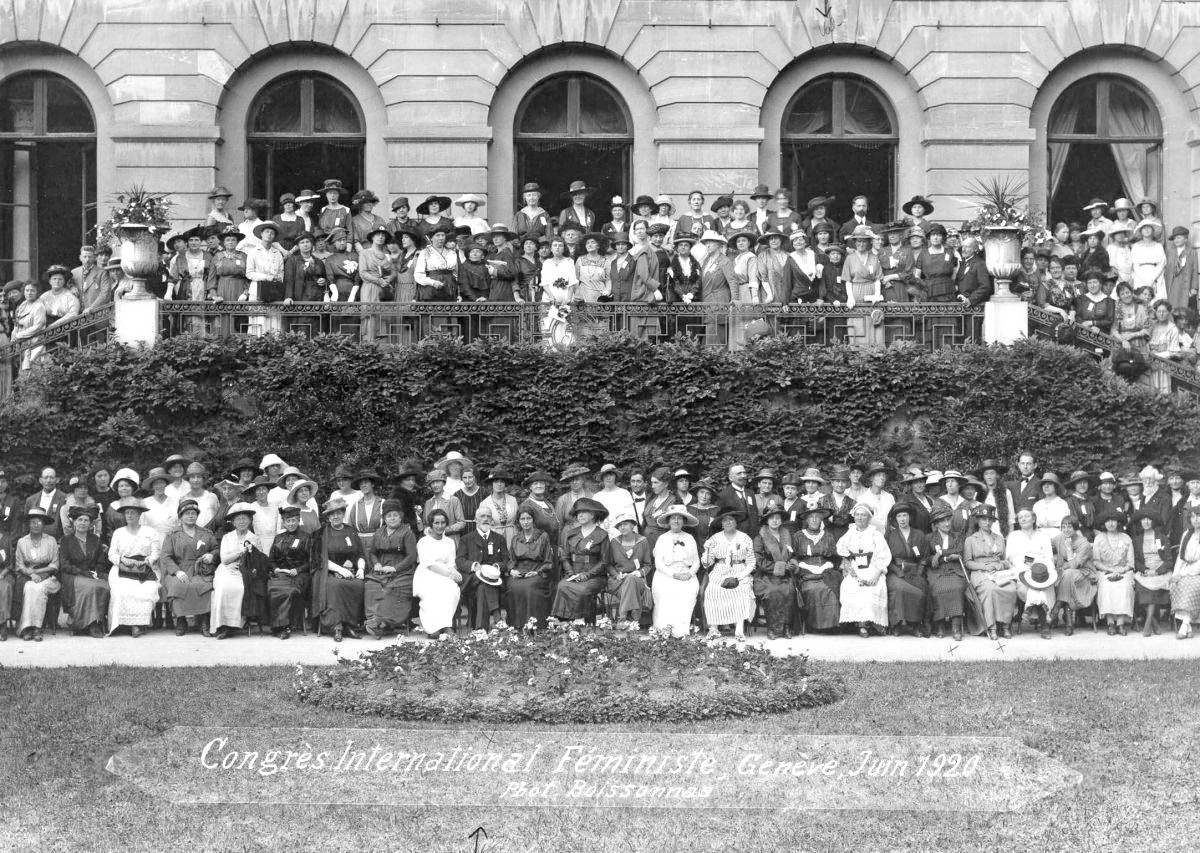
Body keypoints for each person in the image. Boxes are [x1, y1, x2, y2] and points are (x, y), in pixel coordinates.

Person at [160, 498, 218, 636]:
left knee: (204, 586)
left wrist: (211, 555)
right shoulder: (173, 535)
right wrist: (177, 571)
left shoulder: (206, 533)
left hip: (201, 569)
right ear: (180, 517)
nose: (191, 516)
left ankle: (204, 621)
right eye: (187, 513)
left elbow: (216, 548)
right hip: (180, 568)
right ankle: (181, 620)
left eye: (193, 513)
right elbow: (166, 556)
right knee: (178, 586)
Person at [312, 497, 366, 642]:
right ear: (328, 516)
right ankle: (336, 626)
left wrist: (360, 568)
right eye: (332, 514)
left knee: (359, 585)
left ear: (343, 514)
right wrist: (340, 570)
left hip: (351, 571)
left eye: (338, 513)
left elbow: (360, 554)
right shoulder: (321, 533)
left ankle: (351, 625)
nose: (335, 517)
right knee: (335, 586)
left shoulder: (351, 531)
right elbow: (320, 558)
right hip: (327, 571)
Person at [106, 497, 161, 637]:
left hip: (145, 567)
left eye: (133, 513)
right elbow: (111, 554)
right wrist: (123, 561)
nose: (130, 515)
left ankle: (139, 623)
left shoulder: (150, 531)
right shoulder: (118, 532)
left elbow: (155, 552)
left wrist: (147, 561)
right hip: (123, 568)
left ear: (140, 514)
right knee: (121, 590)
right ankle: (124, 624)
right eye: (127, 513)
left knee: (147, 590)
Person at [363, 499, 417, 638]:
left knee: (391, 589)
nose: (392, 518)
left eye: (395, 515)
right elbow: (373, 553)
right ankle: (375, 622)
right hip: (381, 570)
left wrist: (395, 568)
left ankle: (381, 622)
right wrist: (376, 564)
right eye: (388, 516)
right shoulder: (379, 532)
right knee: (371, 586)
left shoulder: (407, 532)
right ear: (384, 518)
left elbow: (411, 556)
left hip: (402, 572)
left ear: (400, 516)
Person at [551, 497, 610, 624]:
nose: (580, 515)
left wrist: (587, 575)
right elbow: (565, 557)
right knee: (562, 585)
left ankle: (584, 622)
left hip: (595, 576)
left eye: (584, 512)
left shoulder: (602, 535)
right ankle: (566, 622)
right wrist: (571, 573)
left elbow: (604, 562)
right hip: (574, 574)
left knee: (582, 589)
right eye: (578, 512)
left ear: (593, 514)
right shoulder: (571, 533)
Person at [835, 503, 890, 637]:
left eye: (863, 515)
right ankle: (861, 625)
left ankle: (875, 622)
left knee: (874, 587)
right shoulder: (849, 533)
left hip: (872, 567)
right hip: (855, 568)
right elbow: (843, 553)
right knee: (850, 586)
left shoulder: (875, 534)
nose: (860, 518)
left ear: (869, 518)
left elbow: (883, 556)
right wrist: (851, 571)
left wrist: (876, 574)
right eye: (857, 515)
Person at [963, 504, 1016, 640]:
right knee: (990, 589)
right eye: (983, 519)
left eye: (989, 520)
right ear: (978, 521)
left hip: (998, 572)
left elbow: (1005, 560)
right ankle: (992, 626)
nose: (987, 522)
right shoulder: (971, 539)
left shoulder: (999, 538)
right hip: (980, 572)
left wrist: (1000, 565)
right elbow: (968, 562)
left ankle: (1005, 625)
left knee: (1010, 588)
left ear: (993, 522)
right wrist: (985, 567)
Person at [210, 502, 261, 639]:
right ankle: (221, 625)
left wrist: (245, 564)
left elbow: (257, 560)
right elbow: (224, 559)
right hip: (226, 569)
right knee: (223, 588)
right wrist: (241, 553)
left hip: (245, 571)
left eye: (245, 518)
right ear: (233, 522)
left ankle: (234, 625)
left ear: (250, 521)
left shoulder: (254, 538)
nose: (242, 521)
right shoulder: (227, 537)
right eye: (238, 519)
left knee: (240, 588)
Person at [649, 505, 700, 638]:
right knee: (665, 592)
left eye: (679, 519)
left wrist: (689, 574)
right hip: (666, 574)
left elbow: (696, 562)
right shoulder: (662, 538)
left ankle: (681, 630)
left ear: (684, 521)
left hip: (685, 573)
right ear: (668, 521)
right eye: (673, 518)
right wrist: (673, 574)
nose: (676, 521)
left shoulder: (689, 538)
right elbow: (658, 563)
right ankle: (664, 630)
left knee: (688, 592)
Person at [56, 505, 108, 637]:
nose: (83, 523)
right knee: (89, 586)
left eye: (86, 520)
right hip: (71, 575)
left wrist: (98, 573)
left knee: (104, 585)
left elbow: (100, 562)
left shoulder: (95, 540)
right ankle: (87, 624)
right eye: (80, 520)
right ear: (73, 522)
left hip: (91, 574)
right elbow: (64, 565)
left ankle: (96, 621)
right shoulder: (66, 541)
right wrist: (84, 573)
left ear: (90, 524)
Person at [412, 508, 460, 637]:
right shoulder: (423, 542)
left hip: (446, 573)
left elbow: (451, 563)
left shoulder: (450, 542)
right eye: (436, 523)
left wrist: (455, 573)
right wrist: (449, 574)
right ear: (431, 525)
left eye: (443, 523)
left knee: (451, 590)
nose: (440, 526)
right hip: (427, 574)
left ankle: (446, 626)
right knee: (433, 591)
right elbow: (430, 565)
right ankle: (432, 627)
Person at [753, 504, 799, 639]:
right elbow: (759, 561)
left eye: (778, 518)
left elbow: (794, 554)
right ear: (766, 520)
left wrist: (792, 564)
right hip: (766, 576)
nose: (775, 521)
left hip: (786, 575)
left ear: (781, 520)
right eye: (771, 518)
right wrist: (781, 567)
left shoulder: (787, 535)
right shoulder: (760, 538)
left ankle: (786, 627)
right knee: (773, 591)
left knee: (789, 590)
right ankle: (773, 628)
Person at [14, 506, 60, 641]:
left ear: (44, 524)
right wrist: (31, 574)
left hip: (49, 578)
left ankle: (36, 628)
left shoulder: (51, 540)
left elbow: (54, 565)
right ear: (28, 524)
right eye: (32, 522)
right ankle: (28, 627)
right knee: (30, 587)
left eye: (39, 522)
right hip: (28, 577)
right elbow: (19, 564)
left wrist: (37, 572)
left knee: (38, 588)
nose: (36, 525)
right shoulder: (22, 542)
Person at [885, 503, 931, 636]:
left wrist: (920, 571)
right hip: (895, 571)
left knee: (920, 591)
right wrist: (896, 570)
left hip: (915, 571)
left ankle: (915, 624)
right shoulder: (890, 536)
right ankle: (897, 624)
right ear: (895, 519)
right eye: (899, 516)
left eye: (905, 515)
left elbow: (924, 557)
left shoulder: (919, 534)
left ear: (910, 517)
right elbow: (885, 558)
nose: (902, 519)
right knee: (899, 589)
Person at [265, 505, 311, 638]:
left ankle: (286, 626)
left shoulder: (306, 537)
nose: (291, 524)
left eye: (294, 520)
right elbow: (271, 559)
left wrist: (298, 570)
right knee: (271, 589)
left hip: (299, 575)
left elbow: (312, 561)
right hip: (280, 574)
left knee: (290, 592)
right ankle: (277, 625)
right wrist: (275, 568)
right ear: (284, 523)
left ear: (298, 520)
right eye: (288, 521)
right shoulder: (278, 538)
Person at [507, 507, 552, 629]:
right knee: (512, 586)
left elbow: (548, 562)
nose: (526, 522)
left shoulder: (543, 536)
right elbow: (511, 560)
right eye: (522, 519)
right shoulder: (516, 538)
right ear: (519, 521)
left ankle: (534, 625)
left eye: (528, 518)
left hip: (538, 571)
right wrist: (512, 570)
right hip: (520, 572)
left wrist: (537, 572)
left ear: (533, 520)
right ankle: (516, 625)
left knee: (529, 587)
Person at [607, 511, 653, 630]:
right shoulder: (614, 542)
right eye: (620, 525)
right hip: (618, 582)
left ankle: (622, 618)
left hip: (638, 580)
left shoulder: (642, 541)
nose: (622, 527)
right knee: (629, 581)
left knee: (631, 579)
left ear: (633, 525)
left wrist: (639, 573)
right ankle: (634, 618)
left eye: (625, 524)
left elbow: (648, 565)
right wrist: (616, 575)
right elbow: (609, 565)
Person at [1131, 509, 1173, 636]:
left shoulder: (1162, 538)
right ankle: (1154, 622)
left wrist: (1157, 571)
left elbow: (1169, 561)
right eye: (1143, 519)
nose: (1146, 522)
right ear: (1140, 522)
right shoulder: (1137, 539)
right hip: (1145, 572)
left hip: (1160, 572)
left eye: (1149, 519)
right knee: (1140, 587)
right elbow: (1136, 561)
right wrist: (1145, 570)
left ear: (1153, 522)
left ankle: (1148, 623)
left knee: (1154, 586)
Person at [1051, 515, 1095, 635]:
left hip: (1084, 576)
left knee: (1068, 574)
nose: (1066, 530)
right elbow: (1046, 545)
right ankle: (1069, 623)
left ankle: (1057, 607)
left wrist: (1069, 548)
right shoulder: (1059, 538)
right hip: (1067, 577)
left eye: (1069, 527)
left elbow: (1075, 565)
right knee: (1066, 577)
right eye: (1063, 527)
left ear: (1075, 528)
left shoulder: (1083, 543)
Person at [1093, 511, 1135, 634]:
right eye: (1108, 521)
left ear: (1118, 522)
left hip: (1124, 571)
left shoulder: (1126, 538)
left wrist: (1121, 570)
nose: (1111, 524)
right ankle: (1110, 622)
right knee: (1106, 587)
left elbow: (1130, 563)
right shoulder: (1099, 538)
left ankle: (1121, 623)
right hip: (1104, 571)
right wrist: (1111, 570)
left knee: (1125, 586)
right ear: (1104, 523)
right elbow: (1096, 561)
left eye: (1114, 521)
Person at [1171, 506, 1200, 638]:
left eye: (1198, 516)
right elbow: (1181, 557)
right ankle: (1187, 626)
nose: (1196, 519)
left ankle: (1184, 625)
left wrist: (1184, 573)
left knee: (1192, 585)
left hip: (1197, 572)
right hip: (1186, 569)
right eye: (1193, 516)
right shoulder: (1186, 534)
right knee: (1178, 583)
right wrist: (1176, 574)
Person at [1131, 219, 1167, 303]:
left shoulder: (1158, 246)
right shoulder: (1135, 247)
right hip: (1140, 276)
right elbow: (1134, 264)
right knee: (1141, 300)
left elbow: (1162, 263)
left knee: (1156, 301)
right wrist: (1145, 280)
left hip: (1156, 276)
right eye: (1144, 228)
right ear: (1140, 231)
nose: (1146, 230)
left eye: (1149, 228)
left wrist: (1152, 279)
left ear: (1153, 230)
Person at [1164, 225, 1197, 310]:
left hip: (1185, 285)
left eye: (1179, 238)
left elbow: (1194, 271)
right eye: (1174, 238)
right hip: (1172, 284)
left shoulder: (1192, 252)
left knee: (1183, 309)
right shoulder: (1170, 252)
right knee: (1172, 308)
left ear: (1185, 239)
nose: (1176, 240)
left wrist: (1194, 287)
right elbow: (1166, 270)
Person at [858, 462, 895, 534]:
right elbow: (860, 522)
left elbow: (894, 518)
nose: (882, 478)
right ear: (871, 478)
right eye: (879, 475)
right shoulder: (862, 499)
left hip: (889, 537)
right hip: (870, 537)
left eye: (884, 476)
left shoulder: (889, 497)